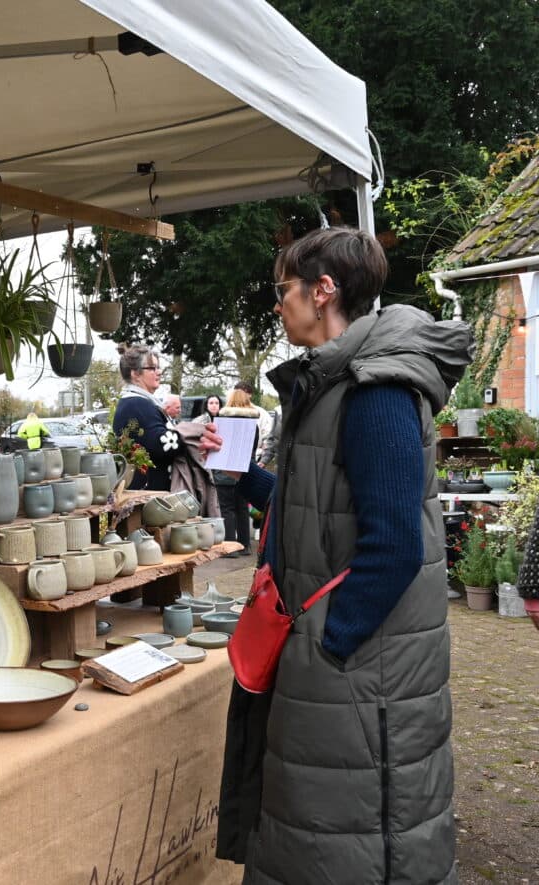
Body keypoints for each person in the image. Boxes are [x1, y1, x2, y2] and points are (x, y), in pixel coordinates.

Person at [216, 227, 471, 884]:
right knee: (310, 842)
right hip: (339, 668)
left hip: (359, 674)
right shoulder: (331, 383)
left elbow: (394, 547)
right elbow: (317, 505)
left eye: (284, 289)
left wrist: (325, 644)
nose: (279, 303)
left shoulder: (376, 389)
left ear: (323, 290)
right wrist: (245, 476)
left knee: (349, 851)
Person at [113, 345, 220, 490]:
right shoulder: (137, 404)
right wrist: (191, 433)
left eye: (158, 367)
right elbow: (161, 445)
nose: (159, 372)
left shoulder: (137, 402)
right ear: (135, 374)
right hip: (150, 493)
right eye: (152, 368)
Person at [213, 387, 260, 557]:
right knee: (242, 509)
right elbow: (253, 448)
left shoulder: (222, 422)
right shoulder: (253, 424)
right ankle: (245, 546)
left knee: (227, 509)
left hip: (224, 471)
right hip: (245, 470)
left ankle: (230, 548)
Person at [234, 380, 274, 464]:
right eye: (238, 393)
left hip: (254, 458)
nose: (241, 396)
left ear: (250, 394)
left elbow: (268, 438)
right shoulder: (227, 413)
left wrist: (263, 460)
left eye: (244, 393)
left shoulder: (261, 413)